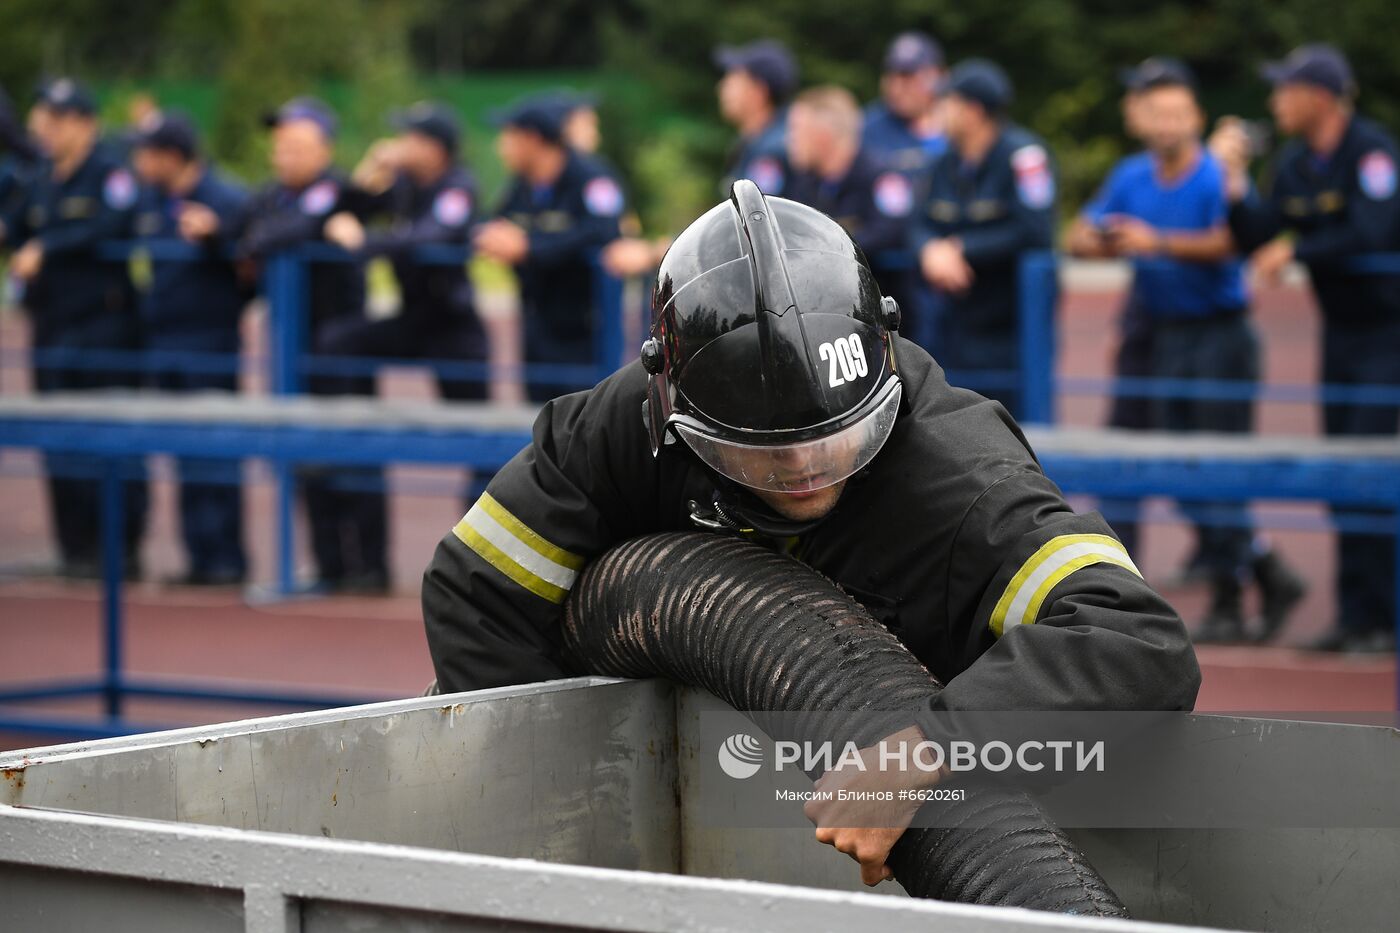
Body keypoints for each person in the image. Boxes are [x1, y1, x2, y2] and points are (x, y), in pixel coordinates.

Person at [422, 180, 1199, 886]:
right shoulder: (623, 427)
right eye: (759, 453)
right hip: (695, 818)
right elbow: (474, 589)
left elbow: (1138, 639)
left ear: (881, 363)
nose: (803, 472)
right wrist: (563, 824)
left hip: (951, 857)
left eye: (833, 442)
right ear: (672, 403)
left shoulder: (960, 483)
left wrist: (925, 752)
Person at [1065, 60, 1305, 644]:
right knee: (1181, 472)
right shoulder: (1131, 175)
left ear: (1196, 117)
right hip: (1166, 334)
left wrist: (1158, 243)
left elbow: (1234, 240)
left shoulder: (1210, 174)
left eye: (1179, 113)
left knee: (1218, 468)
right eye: (1158, 113)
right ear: (1144, 119)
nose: (1168, 123)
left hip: (1220, 333)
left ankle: (1231, 595)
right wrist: (1109, 239)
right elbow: (1077, 234)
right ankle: (1266, 570)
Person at [1212, 45, 1400, 652]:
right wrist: (1236, 183)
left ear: (1318, 96)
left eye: (1283, 90)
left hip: (1388, 334)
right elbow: (1258, 234)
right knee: (1341, 474)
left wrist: (1297, 252)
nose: (1273, 102)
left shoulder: (1371, 153)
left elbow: (1373, 229)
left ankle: (1382, 619)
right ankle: (1355, 617)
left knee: (1370, 471)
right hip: (1342, 336)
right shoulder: (1295, 163)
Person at [239, 97, 388, 593]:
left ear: (324, 148)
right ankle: (328, 566)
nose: (283, 155)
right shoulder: (271, 197)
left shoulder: (343, 193)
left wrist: (314, 224)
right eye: (279, 145)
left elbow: (333, 217)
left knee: (354, 451)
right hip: (290, 346)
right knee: (305, 456)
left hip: (343, 347)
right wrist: (308, 227)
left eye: (297, 145)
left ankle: (369, 566)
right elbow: (255, 239)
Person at [1, 78, 146, 579]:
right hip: (51, 324)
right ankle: (74, 549)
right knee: (56, 440)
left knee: (106, 438)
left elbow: (112, 225)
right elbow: (17, 225)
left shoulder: (111, 172)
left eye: (59, 120)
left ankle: (118, 552)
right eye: (44, 117)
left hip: (102, 325)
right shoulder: (40, 174)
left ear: (86, 124)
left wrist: (49, 247)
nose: (47, 129)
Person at [130, 111, 251, 586]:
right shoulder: (152, 199)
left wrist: (218, 237)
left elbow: (251, 261)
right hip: (163, 340)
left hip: (210, 341)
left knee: (215, 453)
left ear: (172, 157)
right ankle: (200, 559)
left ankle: (225, 559)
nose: (139, 162)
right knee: (182, 453)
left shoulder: (226, 197)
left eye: (146, 153)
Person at [913, 60, 1056, 417]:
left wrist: (961, 248)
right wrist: (930, 249)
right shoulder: (943, 163)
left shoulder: (1025, 158)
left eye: (946, 102)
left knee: (1016, 426)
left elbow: (1036, 230)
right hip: (956, 321)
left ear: (973, 111)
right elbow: (916, 222)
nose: (937, 112)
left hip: (1011, 324)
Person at [323, 101, 489, 404]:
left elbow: (431, 235)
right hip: (414, 316)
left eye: (408, 137)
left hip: (453, 321)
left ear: (434, 149)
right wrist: (368, 172)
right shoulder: (403, 184)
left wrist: (365, 242)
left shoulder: (458, 186)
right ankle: (365, 443)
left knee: (471, 421)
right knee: (343, 341)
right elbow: (349, 212)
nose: (397, 143)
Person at [473, 95, 624, 402]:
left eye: (508, 136)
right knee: (540, 423)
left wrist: (531, 247)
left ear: (532, 139)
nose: (500, 146)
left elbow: (604, 230)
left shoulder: (592, 177)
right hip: (536, 322)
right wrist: (490, 235)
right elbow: (493, 222)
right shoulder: (522, 185)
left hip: (584, 330)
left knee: (584, 423)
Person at [785, 85, 915, 321]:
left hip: (886, 316)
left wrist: (825, 250)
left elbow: (894, 232)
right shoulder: (806, 183)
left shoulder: (882, 179)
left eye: (796, 130)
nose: (789, 140)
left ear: (823, 135)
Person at [714, 39, 798, 196]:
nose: (722, 87)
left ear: (759, 91)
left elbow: (758, 215)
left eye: (733, 79)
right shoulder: (756, 141)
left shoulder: (772, 152)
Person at [861, 31, 947, 176]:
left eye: (907, 76)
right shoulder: (867, 127)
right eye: (890, 75)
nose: (896, 88)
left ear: (937, 76)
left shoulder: (959, 124)